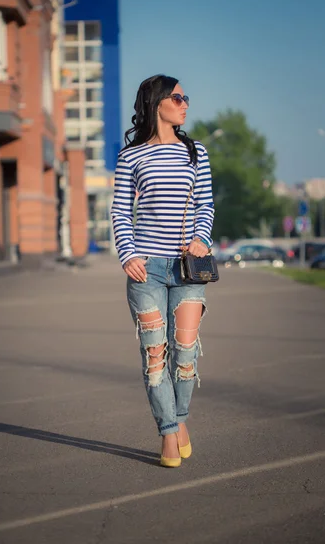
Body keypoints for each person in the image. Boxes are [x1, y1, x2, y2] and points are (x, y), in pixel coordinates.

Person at [111, 74, 214, 468]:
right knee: (155, 356)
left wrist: (202, 239)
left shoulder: (196, 152)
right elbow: (121, 211)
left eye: (186, 97)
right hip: (146, 271)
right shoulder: (131, 156)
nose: (185, 103)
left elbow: (206, 204)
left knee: (185, 355)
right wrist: (127, 254)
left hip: (189, 268)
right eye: (177, 97)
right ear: (157, 103)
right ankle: (169, 431)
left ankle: (180, 418)